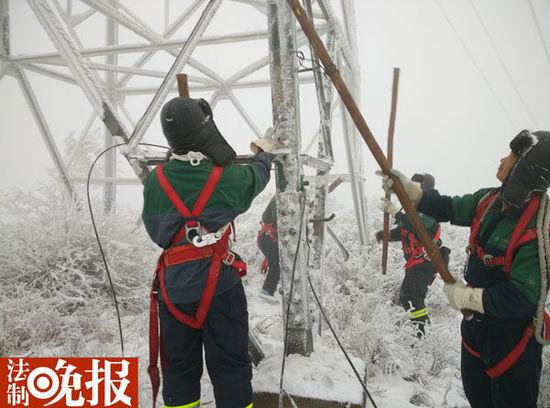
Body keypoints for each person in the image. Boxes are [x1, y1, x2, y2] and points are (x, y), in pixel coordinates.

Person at [380, 130, 550, 408]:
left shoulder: (539, 229)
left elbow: (522, 299)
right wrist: (412, 192)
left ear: (525, 168)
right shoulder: (488, 201)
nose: (502, 159)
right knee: (478, 399)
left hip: (511, 344)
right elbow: (448, 207)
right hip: (475, 332)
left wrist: (467, 298)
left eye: (511, 156)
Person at [142, 96, 279, 408]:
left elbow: (157, 233)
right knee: (230, 367)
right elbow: (256, 177)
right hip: (221, 288)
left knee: (178, 369)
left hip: (173, 289)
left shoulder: (155, 182)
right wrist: (263, 155)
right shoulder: (226, 178)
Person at [375, 173, 450, 336]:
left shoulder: (430, 210)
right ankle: (416, 330)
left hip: (425, 262)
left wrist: (395, 212)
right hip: (416, 262)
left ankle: (421, 334)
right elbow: (404, 231)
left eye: (416, 187)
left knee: (411, 295)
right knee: (406, 295)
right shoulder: (412, 209)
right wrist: (383, 235)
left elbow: (417, 226)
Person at [257, 196, 280, 300]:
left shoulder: (278, 198)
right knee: (276, 264)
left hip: (266, 237)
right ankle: (267, 291)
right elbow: (278, 218)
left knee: (275, 262)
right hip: (267, 237)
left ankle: (269, 290)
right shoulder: (279, 199)